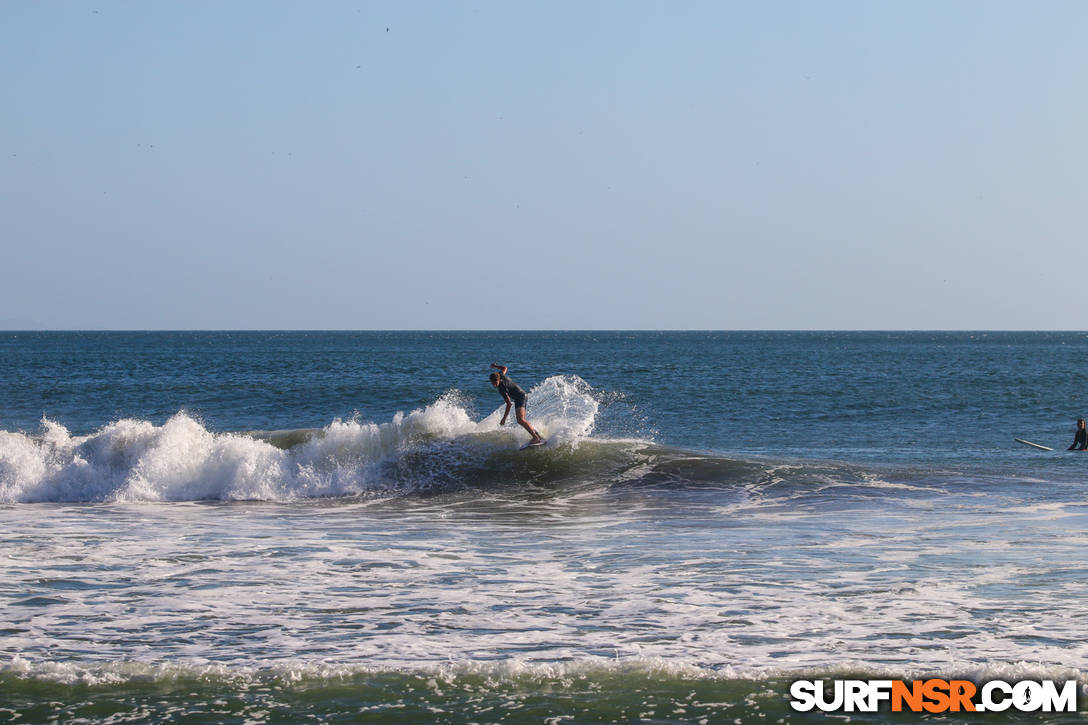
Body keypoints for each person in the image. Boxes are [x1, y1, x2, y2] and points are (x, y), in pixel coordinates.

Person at [489, 363, 544, 444]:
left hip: (520, 397)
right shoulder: (500, 375)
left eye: (495, 383)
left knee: (520, 420)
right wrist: (496, 366)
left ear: (498, 380)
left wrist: (504, 418)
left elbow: (509, 404)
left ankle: (536, 438)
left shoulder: (501, 388)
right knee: (522, 420)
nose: (494, 385)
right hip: (522, 395)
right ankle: (537, 436)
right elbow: (504, 368)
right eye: (492, 383)